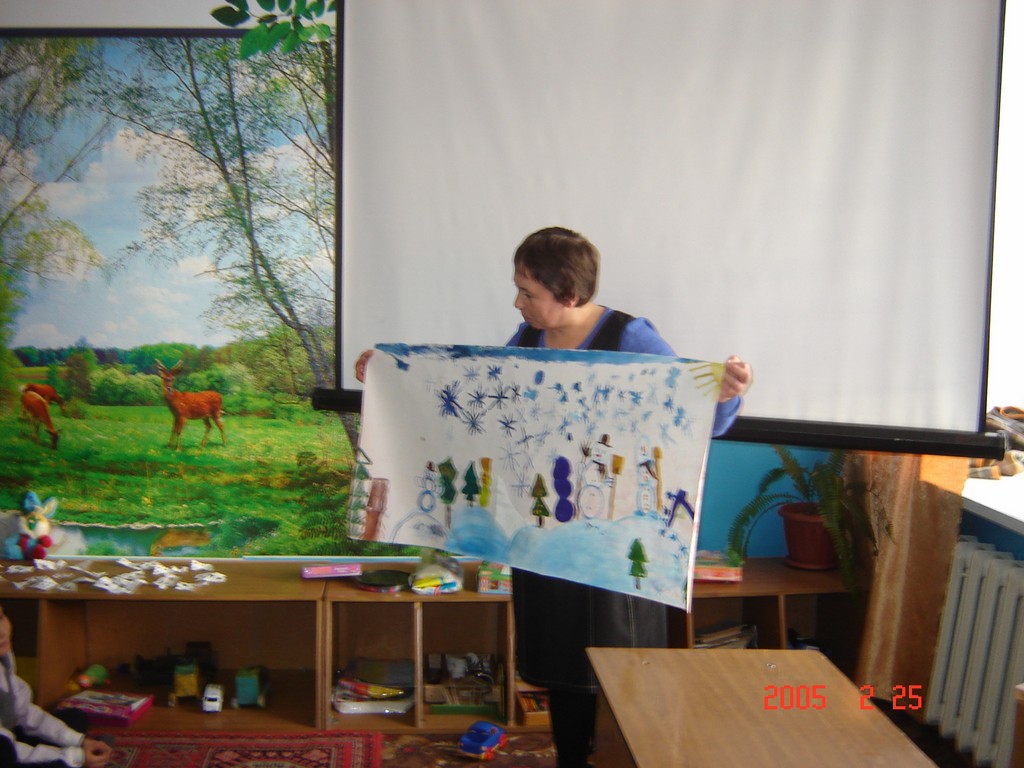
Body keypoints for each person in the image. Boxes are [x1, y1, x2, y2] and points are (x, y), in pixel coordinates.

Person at [355, 226, 752, 768]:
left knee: (618, 673)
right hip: (545, 541)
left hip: (617, 553)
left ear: (569, 293)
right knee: (564, 670)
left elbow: (694, 417)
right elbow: (478, 399)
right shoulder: (527, 339)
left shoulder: (628, 336)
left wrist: (725, 395)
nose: (518, 303)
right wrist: (386, 373)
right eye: (518, 290)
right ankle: (570, 758)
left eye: (528, 292)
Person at [0, 604, 113, 768]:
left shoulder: (3, 659)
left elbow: (24, 712)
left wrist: (80, 741)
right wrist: (75, 757)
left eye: (1, 618)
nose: (2, 632)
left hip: (7, 737)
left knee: (74, 718)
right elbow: (10, 752)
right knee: (5, 751)